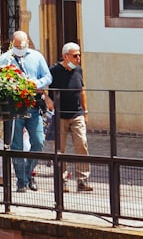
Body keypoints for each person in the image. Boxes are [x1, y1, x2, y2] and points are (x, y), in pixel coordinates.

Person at [0, 31, 52, 193]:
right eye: (17, 46)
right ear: (12, 44)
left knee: (38, 141)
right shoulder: (4, 59)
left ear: (28, 43)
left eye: (22, 45)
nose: (20, 48)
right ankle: (21, 181)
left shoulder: (36, 56)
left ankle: (28, 174)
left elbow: (48, 77)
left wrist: (36, 83)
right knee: (17, 146)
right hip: (14, 107)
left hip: (33, 105)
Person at [47, 42, 92, 192]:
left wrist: (85, 111)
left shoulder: (78, 70)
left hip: (76, 114)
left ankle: (82, 180)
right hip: (60, 115)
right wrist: (49, 100)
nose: (78, 58)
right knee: (60, 149)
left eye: (79, 55)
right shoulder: (53, 70)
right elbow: (43, 87)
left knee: (82, 144)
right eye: (75, 55)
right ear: (66, 56)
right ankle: (62, 180)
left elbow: (82, 91)